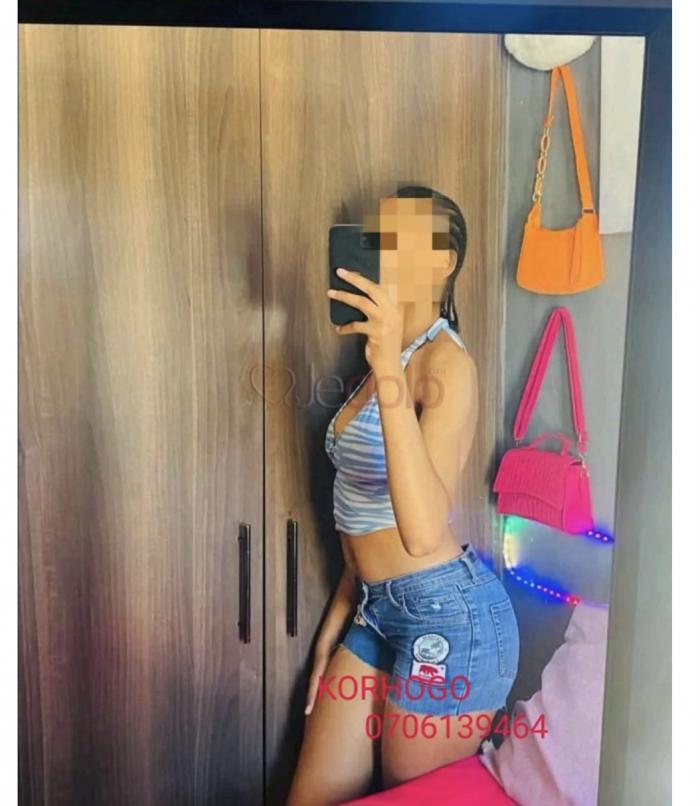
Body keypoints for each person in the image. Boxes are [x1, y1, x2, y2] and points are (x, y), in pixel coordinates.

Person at [287, 186, 519, 806]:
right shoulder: (376, 362)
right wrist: (335, 625)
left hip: (448, 618)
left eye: (400, 238)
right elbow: (361, 512)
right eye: (375, 238)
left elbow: (419, 532)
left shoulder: (446, 365)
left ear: (444, 261)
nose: (381, 249)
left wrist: (390, 366)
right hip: (375, 608)